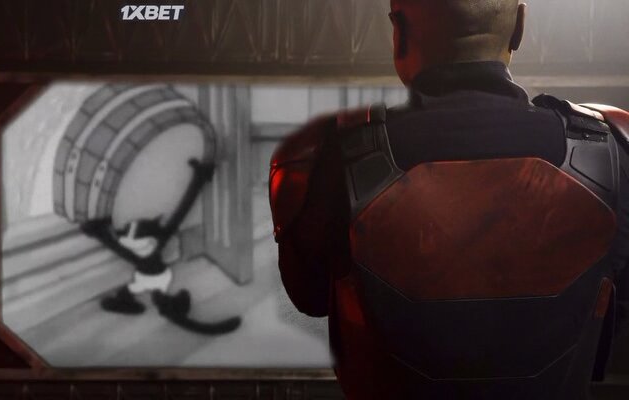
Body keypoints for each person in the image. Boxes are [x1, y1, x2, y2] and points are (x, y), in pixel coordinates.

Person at [268, 1, 629, 398]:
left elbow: (310, 298)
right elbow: (616, 310)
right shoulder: (610, 150)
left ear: (399, 34)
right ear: (519, 27)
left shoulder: (333, 159)